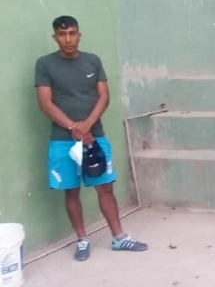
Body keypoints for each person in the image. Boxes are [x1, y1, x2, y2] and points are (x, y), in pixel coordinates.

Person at [35, 16, 148, 262]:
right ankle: (82, 239)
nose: (68, 39)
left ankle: (119, 238)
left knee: (105, 187)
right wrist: (73, 126)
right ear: (55, 37)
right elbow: (45, 102)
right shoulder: (45, 64)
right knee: (71, 191)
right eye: (62, 35)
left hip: (94, 137)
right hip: (62, 140)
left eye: (72, 33)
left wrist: (87, 125)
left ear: (79, 35)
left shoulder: (92, 61)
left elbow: (104, 96)